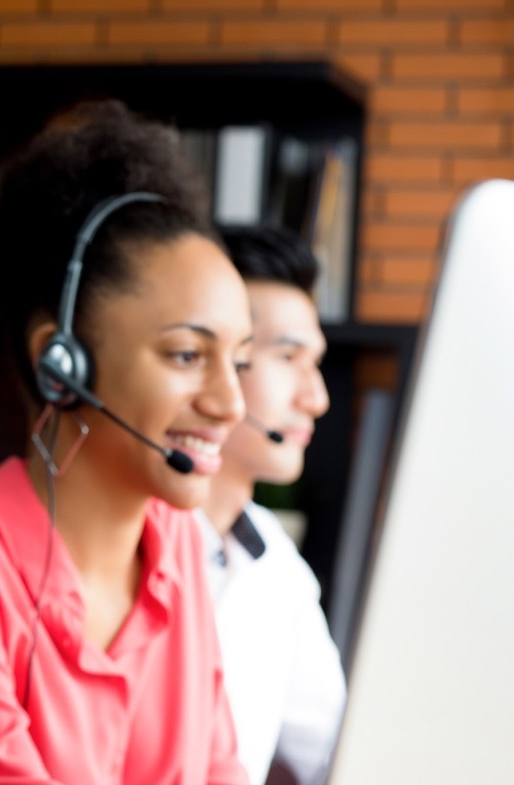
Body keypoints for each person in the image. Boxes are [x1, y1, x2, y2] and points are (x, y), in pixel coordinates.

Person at [0, 101, 251, 785]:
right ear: (63, 363)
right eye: (186, 355)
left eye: (241, 360)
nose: (231, 402)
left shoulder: (175, 543)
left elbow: (223, 767)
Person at [197, 225, 346, 785]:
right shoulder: (112, 542)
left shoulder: (276, 565)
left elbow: (334, 751)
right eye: (288, 356)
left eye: (316, 361)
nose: (316, 397)